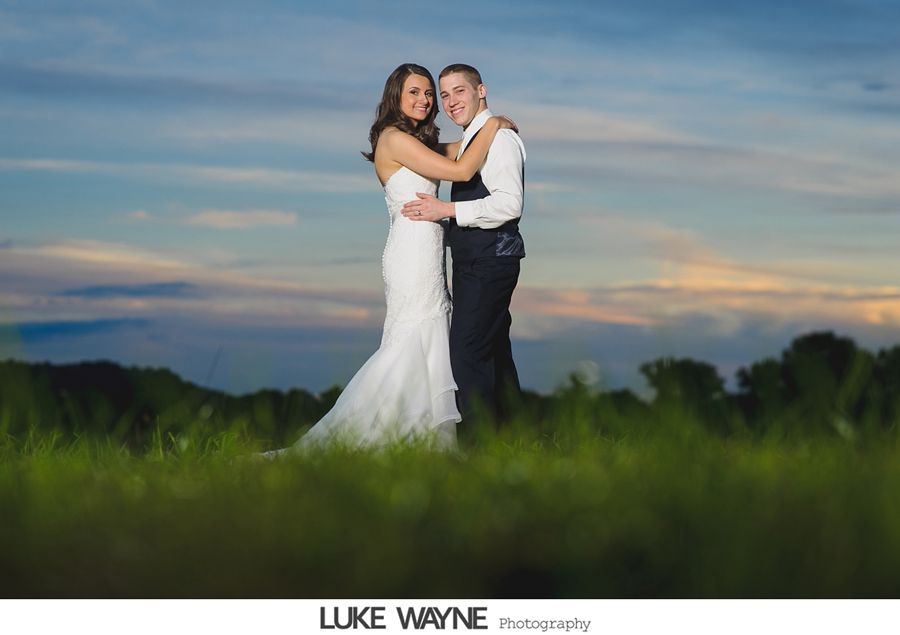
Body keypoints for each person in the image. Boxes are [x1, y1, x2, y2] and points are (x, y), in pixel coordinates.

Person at [261, 63, 515, 456]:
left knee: (431, 341)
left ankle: (428, 438)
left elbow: (460, 150)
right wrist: (495, 123)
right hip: (411, 254)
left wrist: (485, 129)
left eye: (429, 93)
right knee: (410, 342)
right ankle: (380, 434)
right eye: (415, 92)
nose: (426, 100)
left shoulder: (417, 142)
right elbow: (463, 166)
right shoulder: (394, 139)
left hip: (428, 252)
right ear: (395, 95)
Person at [402, 64, 526, 436]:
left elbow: (509, 205)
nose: (451, 101)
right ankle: (512, 438)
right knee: (493, 353)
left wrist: (448, 210)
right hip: (477, 259)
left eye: (459, 91)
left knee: (467, 354)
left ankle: (478, 447)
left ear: (480, 90)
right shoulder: (476, 137)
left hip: (491, 259)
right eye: (445, 94)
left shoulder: (499, 140)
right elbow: (430, 152)